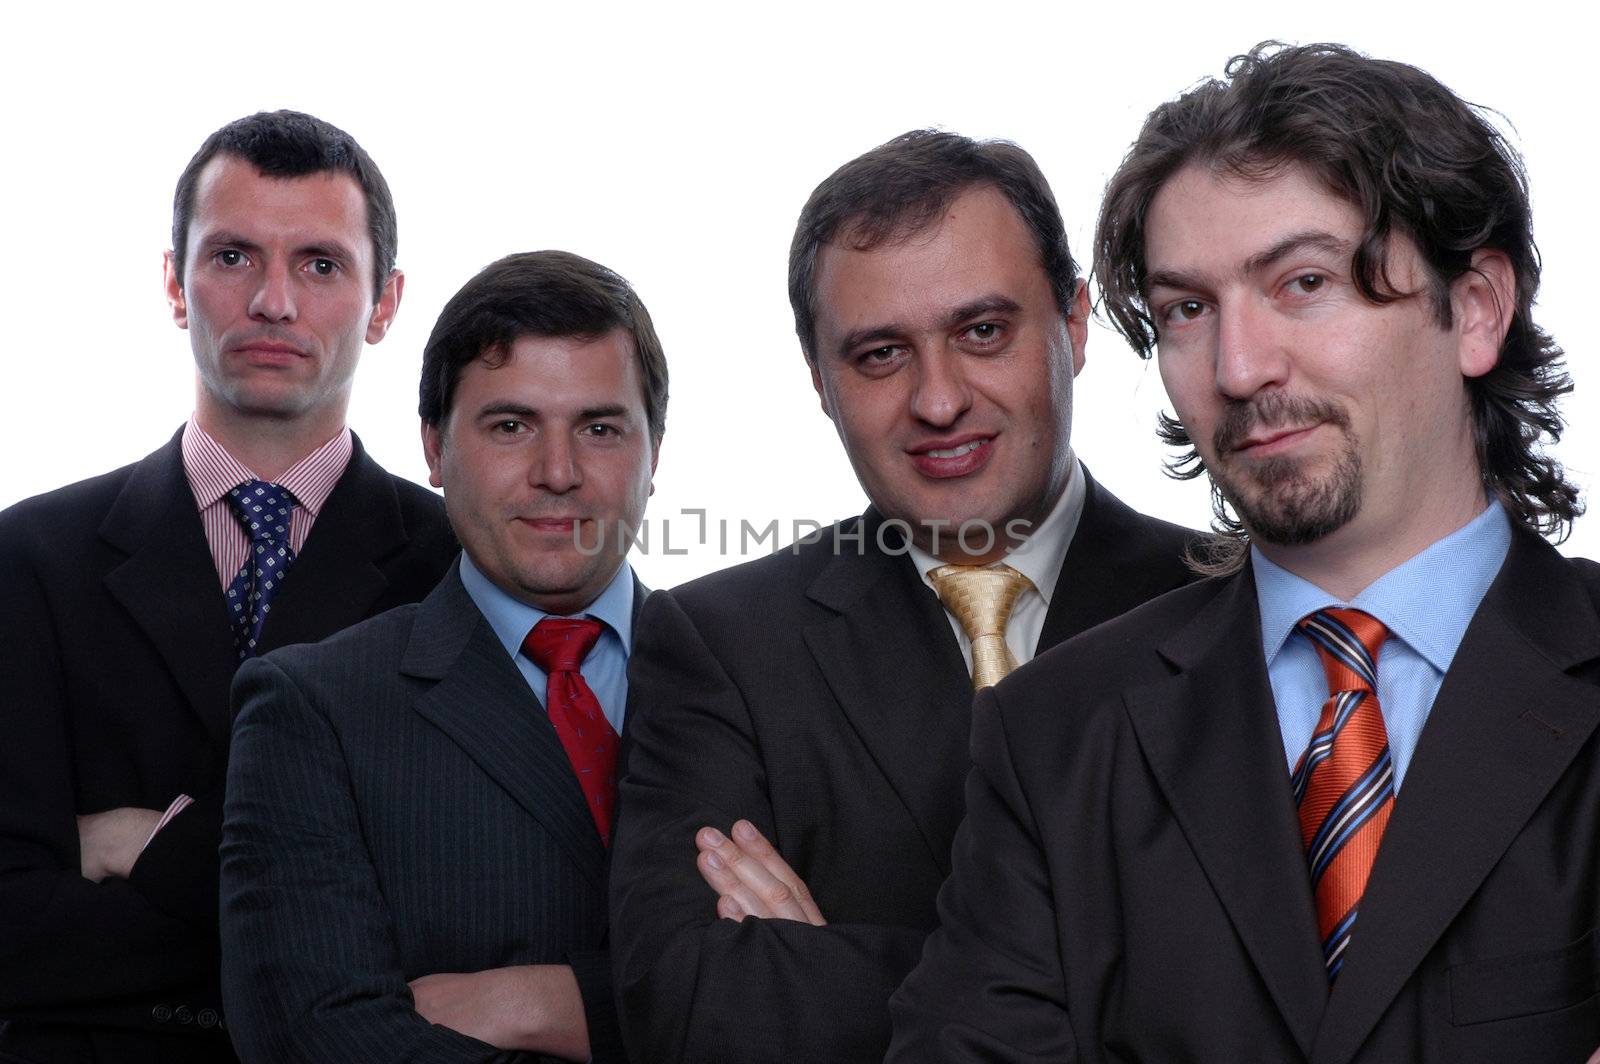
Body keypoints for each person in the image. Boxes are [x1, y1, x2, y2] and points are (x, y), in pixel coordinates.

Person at [888, 42, 1600, 1064]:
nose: (1236, 365)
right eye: (1186, 309)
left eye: (1302, 281)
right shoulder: (1053, 734)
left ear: (1476, 307)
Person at [609, 129, 1198, 1062]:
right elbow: (694, 1008)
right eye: (881, 355)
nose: (937, 400)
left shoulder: (1228, 606)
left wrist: (822, 963)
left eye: (982, 332)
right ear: (820, 385)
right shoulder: (718, 645)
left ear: (1076, 324)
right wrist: (1111, 986)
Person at [0, 110, 456, 1064]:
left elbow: (465, 913)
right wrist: (330, 933)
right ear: (175, 281)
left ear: (385, 302)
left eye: (322, 264)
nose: (275, 302)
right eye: (235, 256)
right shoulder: (29, 558)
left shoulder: (458, 569)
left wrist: (148, 851)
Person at [220, 250, 665, 1063]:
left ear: (654, 455)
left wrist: (555, 1005)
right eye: (510, 426)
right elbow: (313, 1039)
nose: (558, 473)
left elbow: (880, 977)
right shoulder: (315, 707)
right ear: (433, 448)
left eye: (599, 428)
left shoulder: (757, 669)